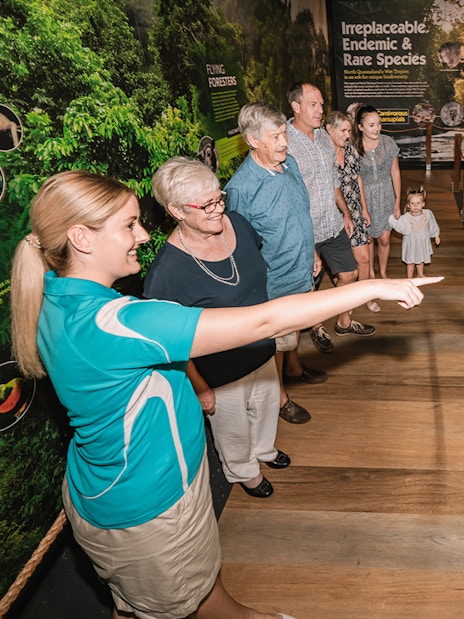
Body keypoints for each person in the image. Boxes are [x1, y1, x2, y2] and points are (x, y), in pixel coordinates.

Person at [9, 169, 440, 619]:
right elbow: (263, 322)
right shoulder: (118, 322)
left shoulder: (56, 299)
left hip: (113, 494)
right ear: (81, 237)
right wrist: (371, 286)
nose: (141, 234)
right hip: (151, 505)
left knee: (156, 600)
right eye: (128, 224)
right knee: (170, 604)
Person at [144, 157, 289, 499]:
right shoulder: (166, 274)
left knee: (267, 409)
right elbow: (171, 344)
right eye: (206, 204)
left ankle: (265, 450)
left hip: (261, 350)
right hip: (219, 372)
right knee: (234, 429)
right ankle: (244, 471)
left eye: (219, 197)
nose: (218, 208)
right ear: (177, 211)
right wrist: (200, 387)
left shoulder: (236, 222)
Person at [225, 101, 325, 426]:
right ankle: (280, 398)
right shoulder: (241, 189)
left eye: (284, 133)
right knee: (277, 345)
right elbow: (238, 249)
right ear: (253, 140)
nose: (285, 142)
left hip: (301, 270)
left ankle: (295, 370)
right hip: (275, 285)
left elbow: (300, 214)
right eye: (276, 136)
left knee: (293, 334)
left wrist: (312, 251)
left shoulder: (289, 163)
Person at [286, 82, 375, 351]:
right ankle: (315, 327)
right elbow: (290, 195)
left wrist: (346, 213)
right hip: (306, 229)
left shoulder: (324, 137)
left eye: (322, 104)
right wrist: (306, 241)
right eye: (314, 104)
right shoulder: (286, 142)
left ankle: (344, 322)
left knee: (348, 273)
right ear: (296, 106)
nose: (320, 109)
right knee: (308, 283)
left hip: (333, 223)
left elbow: (333, 181)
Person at [325, 110, 379, 313]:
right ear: (329, 129)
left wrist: (364, 208)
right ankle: (344, 304)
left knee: (364, 258)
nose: (347, 135)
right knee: (342, 268)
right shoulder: (322, 155)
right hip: (332, 214)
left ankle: (362, 297)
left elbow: (358, 179)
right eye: (343, 130)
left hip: (354, 211)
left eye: (349, 130)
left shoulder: (351, 151)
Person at [352, 105, 401, 281]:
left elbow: (395, 172)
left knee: (385, 239)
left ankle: (383, 272)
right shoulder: (353, 147)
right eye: (371, 125)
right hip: (365, 198)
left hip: (386, 195)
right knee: (369, 239)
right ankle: (371, 273)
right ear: (360, 127)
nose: (377, 128)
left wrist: (397, 201)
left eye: (378, 124)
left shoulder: (388, 143)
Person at [388, 186, 440, 277]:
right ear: (408, 205)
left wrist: (436, 235)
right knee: (411, 262)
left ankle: (420, 274)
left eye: (418, 203)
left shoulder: (427, 214)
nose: (415, 206)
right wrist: (392, 217)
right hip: (411, 244)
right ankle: (410, 278)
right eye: (412, 203)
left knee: (421, 260)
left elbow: (432, 224)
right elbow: (399, 225)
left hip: (422, 243)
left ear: (423, 204)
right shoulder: (406, 218)